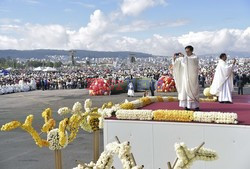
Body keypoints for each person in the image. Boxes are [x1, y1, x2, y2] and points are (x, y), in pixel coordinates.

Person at [172, 45, 200, 111]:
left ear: (191, 51)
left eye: (188, 51)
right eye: (186, 51)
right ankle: (186, 106)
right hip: (184, 78)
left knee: (192, 91)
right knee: (184, 91)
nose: (187, 53)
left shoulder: (194, 57)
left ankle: (195, 106)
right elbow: (177, 64)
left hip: (191, 78)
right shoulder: (185, 58)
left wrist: (184, 57)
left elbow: (190, 62)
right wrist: (174, 59)